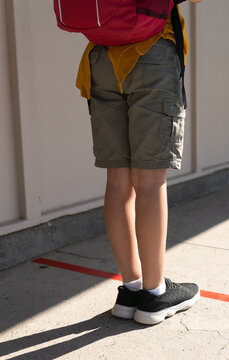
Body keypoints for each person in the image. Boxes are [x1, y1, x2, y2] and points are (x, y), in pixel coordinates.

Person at [73, 0, 203, 325]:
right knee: (150, 181)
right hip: (151, 52)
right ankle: (155, 295)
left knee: (117, 182)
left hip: (100, 57)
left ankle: (130, 290)